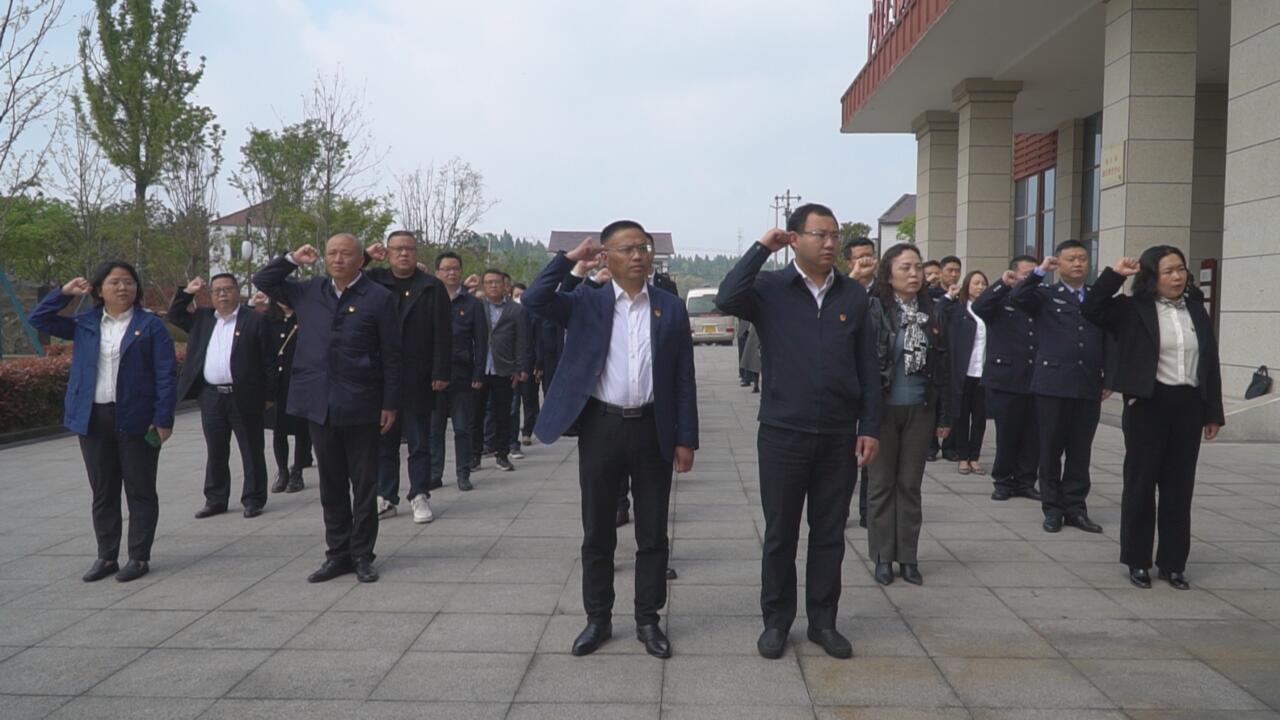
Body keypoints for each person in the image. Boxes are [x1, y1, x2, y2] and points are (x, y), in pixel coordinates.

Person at [523, 220, 697, 659]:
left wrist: (686, 438)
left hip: (653, 427)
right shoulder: (587, 301)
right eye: (627, 248)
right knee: (598, 530)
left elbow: (683, 376)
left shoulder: (670, 307)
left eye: (644, 247)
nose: (638, 255)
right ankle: (597, 618)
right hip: (602, 426)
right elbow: (535, 299)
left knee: (652, 532)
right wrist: (569, 260)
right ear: (606, 255)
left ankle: (648, 619)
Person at [716, 204, 881, 661]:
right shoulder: (770, 289)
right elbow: (727, 297)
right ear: (794, 239)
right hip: (783, 431)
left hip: (838, 434)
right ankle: (776, 621)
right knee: (780, 533)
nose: (829, 243)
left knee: (829, 533)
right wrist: (760, 249)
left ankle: (823, 621)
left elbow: (868, 366)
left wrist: (869, 425)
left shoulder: (852, 295)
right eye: (819, 234)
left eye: (834, 235)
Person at [253, 234, 401, 584]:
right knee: (331, 484)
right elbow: (263, 280)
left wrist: (391, 403)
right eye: (332, 253)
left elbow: (394, 356)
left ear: (360, 259)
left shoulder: (378, 297)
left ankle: (362, 554)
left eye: (346, 254)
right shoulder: (310, 291)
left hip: (361, 402)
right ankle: (338, 554)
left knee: (363, 485)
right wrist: (292, 258)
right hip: (319, 402)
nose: (337, 259)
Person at [1082, 247, 1223, 590]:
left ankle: (1173, 564)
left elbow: (1210, 362)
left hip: (1188, 405)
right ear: (1151, 277)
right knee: (1141, 485)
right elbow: (1091, 308)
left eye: (1181, 269)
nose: (1177, 277)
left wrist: (1213, 412)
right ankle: (1137, 560)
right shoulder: (1132, 309)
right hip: (1148, 404)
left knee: (1179, 488)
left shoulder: (1195, 309)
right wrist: (1115, 275)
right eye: (1168, 271)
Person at [29, 262, 177, 582]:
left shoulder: (150, 325)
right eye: (115, 282)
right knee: (103, 490)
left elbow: (166, 375)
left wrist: (163, 419)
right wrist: (63, 293)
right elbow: (38, 319)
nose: (123, 288)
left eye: (129, 282)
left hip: (137, 419)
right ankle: (107, 556)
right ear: (99, 289)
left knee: (140, 489)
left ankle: (138, 557)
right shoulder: (86, 323)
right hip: (94, 418)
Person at [865, 244, 950, 586]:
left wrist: (945, 415)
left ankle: (908, 557)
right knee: (881, 485)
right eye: (905, 268)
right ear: (889, 274)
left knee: (910, 485)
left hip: (920, 409)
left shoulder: (933, 312)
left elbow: (944, 365)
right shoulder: (875, 310)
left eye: (918, 267)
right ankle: (883, 557)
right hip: (883, 410)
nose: (914, 274)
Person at [1011, 239, 1108, 534]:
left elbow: (1110, 338)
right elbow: (1018, 296)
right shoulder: (1045, 295)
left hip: (1087, 383)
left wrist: (1110, 379)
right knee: (1051, 449)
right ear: (1058, 263)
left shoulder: (1096, 297)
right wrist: (1040, 271)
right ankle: (1052, 508)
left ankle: (1076, 507)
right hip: (1052, 384)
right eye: (1071, 259)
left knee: (1080, 451)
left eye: (1082, 258)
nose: (1077, 263)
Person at [363, 231, 452, 523]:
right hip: (382, 376)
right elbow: (346, 276)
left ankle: (419, 494)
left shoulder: (431, 286)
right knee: (384, 441)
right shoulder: (375, 281)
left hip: (419, 375)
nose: (404, 254)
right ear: (388, 252)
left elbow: (443, 332)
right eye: (398, 249)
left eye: (409, 249)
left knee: (419, 440)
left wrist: (441, 371)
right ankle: (386, 496)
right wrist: (366, 256)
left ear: (417, 253)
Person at [170, 274, 273, 519]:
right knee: (216, 450)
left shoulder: (255, 319)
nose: (222, 294)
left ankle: (253, 498)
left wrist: (269, 395)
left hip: (244, 395)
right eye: (217, 291)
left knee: (251, 449)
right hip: (211, 396)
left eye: (227, 289)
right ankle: (216, 499)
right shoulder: (203, 319)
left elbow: (269, 361)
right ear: (211, 295)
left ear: (237, 292)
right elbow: (174, 315)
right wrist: (188, 292)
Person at [972, 256, 1041, 501]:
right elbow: (979, 307)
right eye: (1026, 274)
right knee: (1007, 434)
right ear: (1014, 275)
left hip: (1036, 378)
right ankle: (1003, 481)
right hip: (1006, 379)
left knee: (1033, 436)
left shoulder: (1039, 300)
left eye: (1035, 273)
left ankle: (1025, 481)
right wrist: (1001, 284)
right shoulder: (1001, 299)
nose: (1031, 278)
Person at [430, 252, 487, 492]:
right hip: (434, 376)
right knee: (435, 428)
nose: (451, 273)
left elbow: (481, 341)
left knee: (463, 428)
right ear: (437, 273)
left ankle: (464, 473)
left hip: (462, 375)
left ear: (461, 272)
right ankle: (434, 473)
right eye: (446, 269)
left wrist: (479, 373)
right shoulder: (429, 300)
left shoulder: (472, 304)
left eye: (455, 268)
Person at [471, 268, 530, 474]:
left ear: (505, 285)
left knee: (503, 415)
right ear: (483, 286)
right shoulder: (477, 306)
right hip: (480, 369)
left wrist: (520, 367)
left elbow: (522, 340)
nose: (493, 286)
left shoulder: (516, 310)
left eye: (497, 282)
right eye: (489, 282)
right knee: (476, 415)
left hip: (504, 369)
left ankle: (502, 455)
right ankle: (475, 455)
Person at [938, 270, 989, 475]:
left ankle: (974, 457)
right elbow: (938, 312)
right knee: (960, 416)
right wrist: (949, 295)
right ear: (967, 286)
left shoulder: (989, 310)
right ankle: (962, 457)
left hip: (983, 372)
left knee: (979, 418)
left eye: (983, 283)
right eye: (976, 283)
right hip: (962, 371)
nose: (980, 287)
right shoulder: (957, 310)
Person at [264, 298, 312, 493]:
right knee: (279, 430)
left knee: (301, 430)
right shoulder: (269, 320)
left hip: (300, 382)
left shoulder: (305, 319)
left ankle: (297, 472)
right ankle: (282, 471)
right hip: (277, 384)